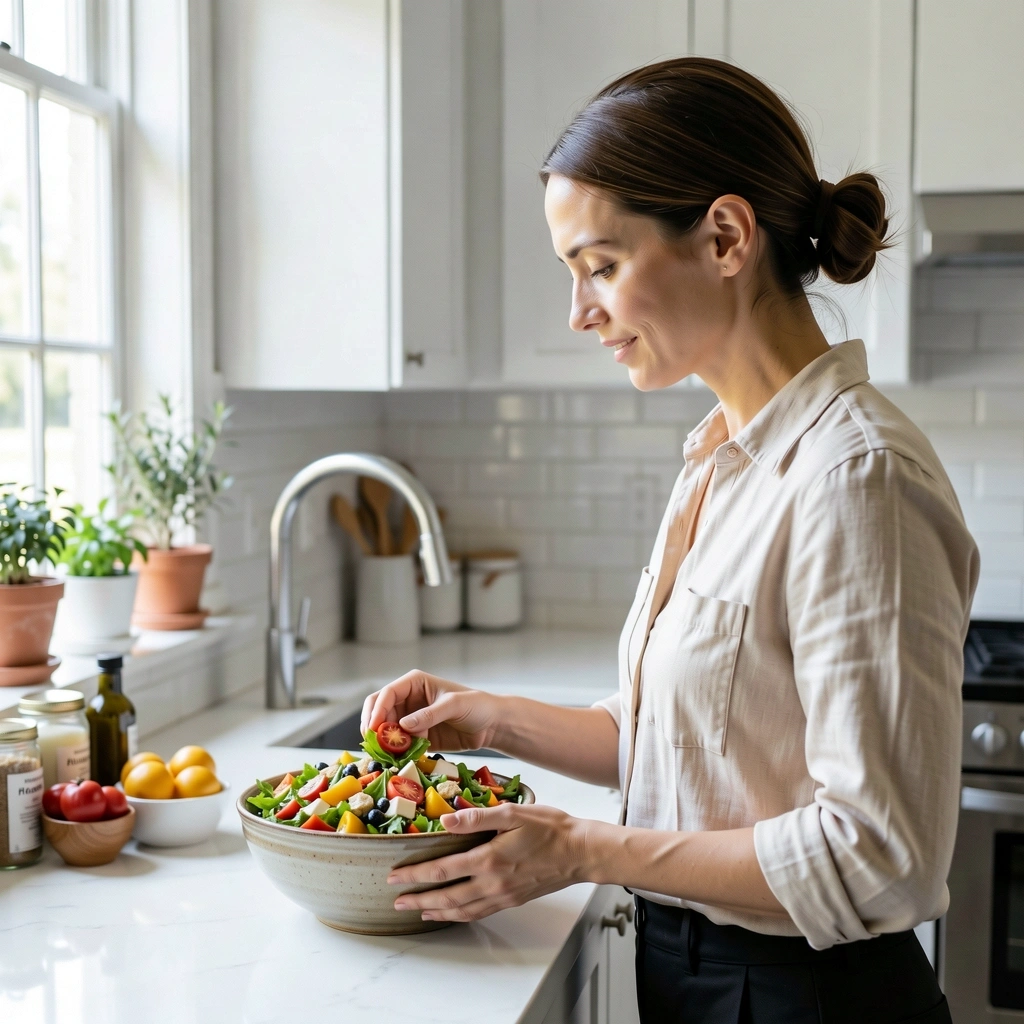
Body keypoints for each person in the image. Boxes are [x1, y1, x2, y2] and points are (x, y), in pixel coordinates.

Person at [362, 58, 979, 1024]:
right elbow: (691, 751)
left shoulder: (856, 478)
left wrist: (579, 850)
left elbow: (879, 857)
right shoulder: (720, 459)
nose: (580, 312)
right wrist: (490, 717)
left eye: (601, 266)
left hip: (805, 998)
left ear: (726, 237)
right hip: (697, 976)